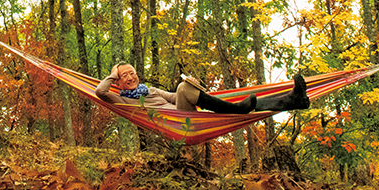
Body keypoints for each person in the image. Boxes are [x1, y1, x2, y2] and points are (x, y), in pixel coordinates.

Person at [95, 62, 310, 114]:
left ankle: (292, 100)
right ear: (118, 82)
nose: (131, 77)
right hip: (175, 124)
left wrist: (192, 87)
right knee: (182, 88)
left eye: (132, 72)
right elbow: (100, 92)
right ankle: (236, 108)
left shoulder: (149, 91)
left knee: (183, 87)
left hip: (184, 115)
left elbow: (175, 97)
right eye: (125, 76)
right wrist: (113, 74)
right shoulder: (122, 100)